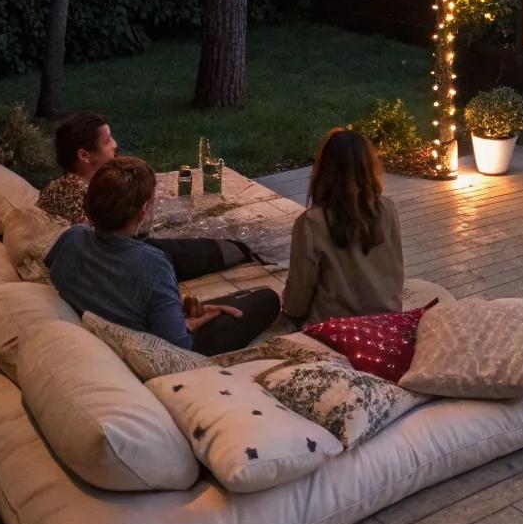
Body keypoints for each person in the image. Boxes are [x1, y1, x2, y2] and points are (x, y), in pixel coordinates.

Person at [46, 156, 280, 355]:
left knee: (205, 288)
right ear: (143, 211)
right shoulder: (152, 264)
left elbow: (54, 270)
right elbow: (179, 345)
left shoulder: (72, 237)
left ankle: (227, 266)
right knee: (265, 299)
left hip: (115, 314)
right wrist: (203, 318)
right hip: (156, 342)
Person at [38, 111, 258, 280]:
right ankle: (238, 250)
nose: (115, 145)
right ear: (84, 155)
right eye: (107, 141)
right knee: (192, 252)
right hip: (118, 266)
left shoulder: (55, 187)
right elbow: (117, 247)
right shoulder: (87, 201)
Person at [282, 128, 404, 324]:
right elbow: (395, 271)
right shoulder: (388, 209)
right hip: (385, 321)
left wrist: (288, 309)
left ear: (323, 169)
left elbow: (298, 295)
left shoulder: (311, 223)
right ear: (369, 166)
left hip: (336, 328)